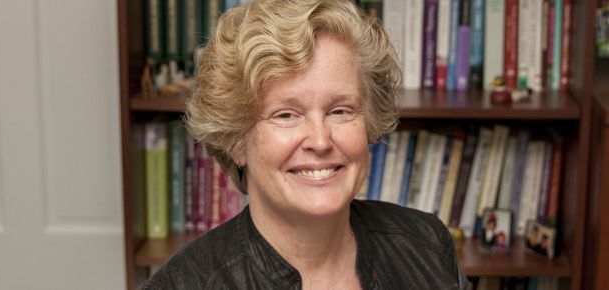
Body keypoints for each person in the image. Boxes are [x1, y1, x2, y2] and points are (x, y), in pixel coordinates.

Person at [142, 0, 467, 289]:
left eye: (340, 111)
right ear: (236, 140)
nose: (320, 140)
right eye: (286, 115)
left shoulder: (428, 244)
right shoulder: (183, 284)